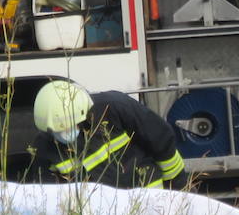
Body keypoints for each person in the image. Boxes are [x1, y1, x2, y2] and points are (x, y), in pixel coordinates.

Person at [26, 80, 187, 188]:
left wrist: (177, 192)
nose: (64, 134)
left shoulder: (115, 108)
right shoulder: (44, 148)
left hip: (148, 199)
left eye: (69, 127)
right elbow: (51, 196)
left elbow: (161, 142)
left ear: (84, 115)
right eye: (58, 131)